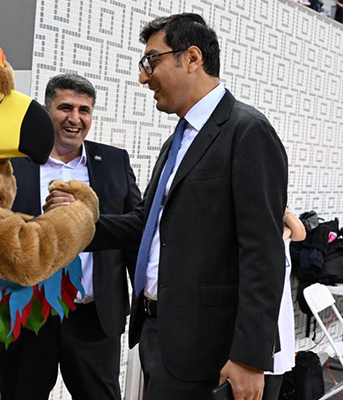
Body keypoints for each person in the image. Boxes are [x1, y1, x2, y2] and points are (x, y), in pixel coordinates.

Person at [74, 13, 289, 400]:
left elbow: (263, 253)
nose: (143, 77)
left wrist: (249, 358)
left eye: (151, 61)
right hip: (160, 337)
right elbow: (146, 224)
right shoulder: (178, 140)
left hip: (210, 349)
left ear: (191, 58)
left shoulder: (247, 131)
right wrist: (72, 227)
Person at [0, 73, 142, 400]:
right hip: (26, 314)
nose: (75, 118)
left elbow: (135, 233)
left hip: (94, 319)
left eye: (84, 110)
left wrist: (146, 303)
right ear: (47, 111)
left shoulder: (114, 161)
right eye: (65, 108)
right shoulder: (11, 163)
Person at [262, 209, 306, 400]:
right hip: (264, 314)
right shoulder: (265, 237)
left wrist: (285, 211)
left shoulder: (284, 236)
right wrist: (285, 232)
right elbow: (270, 246)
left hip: (282, 314)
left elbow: (301, 233)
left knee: (278, 371)